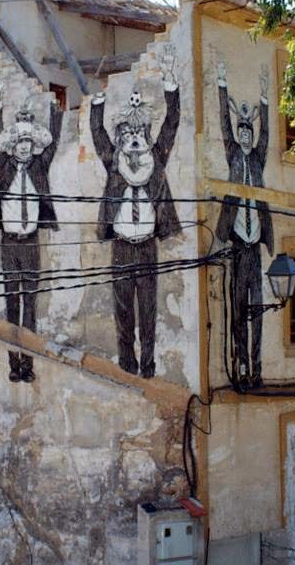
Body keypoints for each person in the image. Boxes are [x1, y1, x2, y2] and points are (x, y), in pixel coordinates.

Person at [90, 44, 181, 379]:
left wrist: (170, 84)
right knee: (123, 309)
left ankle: (149, 364)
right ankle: (126, 362)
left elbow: (171, 124)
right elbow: (98, 134)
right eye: (127, 134)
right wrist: (97, 99)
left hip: (147, 246)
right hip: (121, 246)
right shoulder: (114, 165)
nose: (133, 140)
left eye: (138, 133)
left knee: (149, 309)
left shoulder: (156, 162)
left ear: (146, 137)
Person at [0, 81, 63, 383]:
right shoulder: (5, 166)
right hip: (9, 243)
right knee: (12, 303)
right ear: (13, 144)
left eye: (28, 141)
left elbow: (53, 143)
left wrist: (55, 111)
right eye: (19, 141)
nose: (23, 146)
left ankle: (28, 365)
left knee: (30, 305)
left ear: (33, 145)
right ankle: (13, 364)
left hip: (31, 242)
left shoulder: (39, 166)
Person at [214, 61, 274, 387]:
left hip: (255, 248)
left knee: (258, 309)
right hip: (237, 245)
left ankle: (257, 367)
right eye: (243, 133)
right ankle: (240, 363)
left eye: (250, 133)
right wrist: (222, 85)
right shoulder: (233, 155)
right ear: (238, 137)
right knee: (238, 308)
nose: (247, 137)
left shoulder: (258, 159)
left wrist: (265, 98)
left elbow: (267, 136)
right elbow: (224, 124)